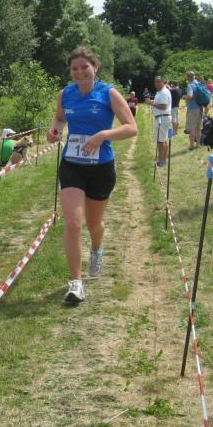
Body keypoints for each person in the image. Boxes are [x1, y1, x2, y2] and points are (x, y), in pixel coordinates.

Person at [47, 47, 137, 303]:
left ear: (95, 67)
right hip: (72, 165)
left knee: (93, 224)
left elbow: (131, 128)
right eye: (74, 69)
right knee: (73, 223)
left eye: (84, 67)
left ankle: (96, 248)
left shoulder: (108, 93)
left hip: (101, 167)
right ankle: (76, 283)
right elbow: (59, 118)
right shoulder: (65, 94)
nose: (79, 72)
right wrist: (54, 131)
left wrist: (103, 135)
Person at [146, 75, 172, 167]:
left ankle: (161, 161)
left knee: (161, 141)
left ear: (163, 82)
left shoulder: (163, 92)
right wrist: (152, 102)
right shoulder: (161, 92)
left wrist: (151, 103)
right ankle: (163, 160)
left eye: (158, 81)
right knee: (163, 140)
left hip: (162, 118)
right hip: (163, 117)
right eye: (155, 82)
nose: (156, 83)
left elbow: (163, 106)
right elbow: (160, 103)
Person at [184, 71, 203, 150]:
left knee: (192, 128)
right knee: (198, 128)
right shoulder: (199, 84)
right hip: (200, 108)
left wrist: (185, 99)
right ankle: (198, 144)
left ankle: (191, 145)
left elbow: (190, 96)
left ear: (188, 77)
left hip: (192, 108)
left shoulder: (190, 85)